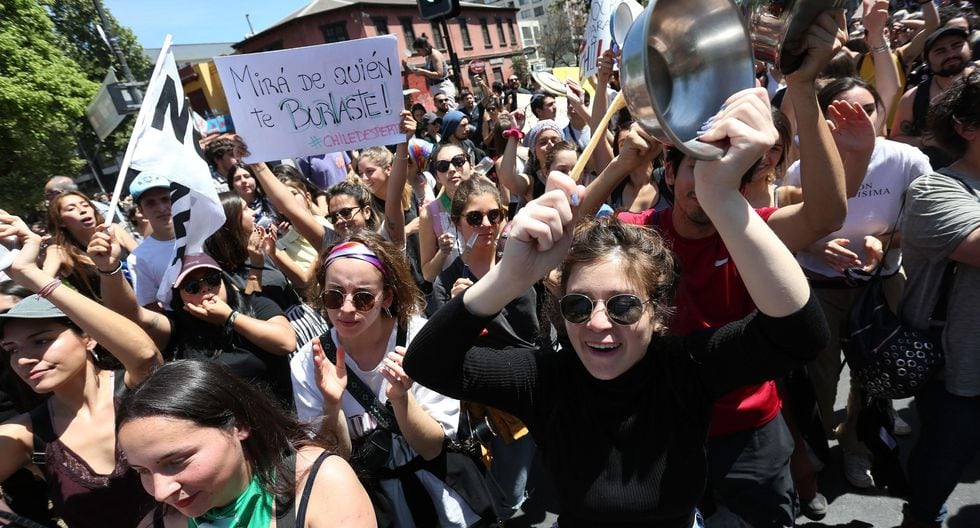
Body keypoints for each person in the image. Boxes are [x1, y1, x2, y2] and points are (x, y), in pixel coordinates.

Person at [402, 87, 829, 526]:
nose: (598, 323)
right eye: (578, 306)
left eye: (623, 305)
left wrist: (722, 197)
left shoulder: (685, 368)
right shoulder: (545, 379)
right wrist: (509, 278)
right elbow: (427, 362)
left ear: (656, 311)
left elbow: (801, 333)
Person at [784, 76, 932, 490]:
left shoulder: (908, 160)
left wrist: (886, 241)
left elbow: (928, 223)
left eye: (867, 110)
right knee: (819, 376)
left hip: (881, 284)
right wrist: (816, 247)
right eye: (842, 112)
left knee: (877, 376)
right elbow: (785, 227)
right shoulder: (802, 168)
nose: (858, 120)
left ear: (881, 113)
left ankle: (858, 445)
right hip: (820, 287)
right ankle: (813, 447)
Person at [290, 232, 484, 527]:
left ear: (387, 297)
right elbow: (333, 461)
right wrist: (332, 404)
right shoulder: (308, 362)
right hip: (373, 503)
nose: (346, 309)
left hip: (442, 496)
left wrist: (401, 399)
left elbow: (432, 448)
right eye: (334, 296)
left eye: (363, 298)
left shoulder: (422, 339)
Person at [0, 212, 161, 528]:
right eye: (12, 350)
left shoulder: (136, 389)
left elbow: (145, 354)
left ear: (88, 338)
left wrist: (30, 273)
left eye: (41, 340)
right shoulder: (26, 433)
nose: (24, 359)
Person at [116, 360, 376, 528]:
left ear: (238, 426)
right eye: (143, 471)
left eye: (176, 461)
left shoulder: (318, 484)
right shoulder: (160, 523)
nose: (161, 493)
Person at [899, 70, 980, 528]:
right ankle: (922, 515)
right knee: (943, 461)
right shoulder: (936, 189)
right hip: (957, 368)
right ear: (966, 128)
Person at [891, 26, 974, 168]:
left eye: (957, 45)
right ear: (926, 59)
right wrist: (924, 141)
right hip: (940, 176)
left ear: (970, 48)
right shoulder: (913, 98)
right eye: (940, 51)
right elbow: (896, 139)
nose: (950, 54)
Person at [42, 191, 138, 301]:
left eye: (85, 205)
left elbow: (146, 260)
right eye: (71, 209)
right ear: (60, 222)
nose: (82, 210)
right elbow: (41, 284)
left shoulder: (114, 231)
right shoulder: (59, 251)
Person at [128, 172, 176, 309]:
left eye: (165, 199)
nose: (161, 208)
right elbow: (149, 305)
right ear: (141, 211)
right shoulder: (138, 258)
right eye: (150, 203)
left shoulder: (201, 234)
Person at [405, 36, 456, 105]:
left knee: (448, 107)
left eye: (419, 50)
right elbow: (431, 75)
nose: (418, 53)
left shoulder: (435, 55)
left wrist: (423, 71)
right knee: (441, 109)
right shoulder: (429, 57)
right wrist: (420, 73)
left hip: (442, 86)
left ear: (424, 47)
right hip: (436, 87)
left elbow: (439, 74)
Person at [228, 162, 278, 229]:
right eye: (237, 179)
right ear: (232, 185)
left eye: (247, 176)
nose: (243, 181)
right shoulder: (232, 211)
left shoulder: (271, 200)